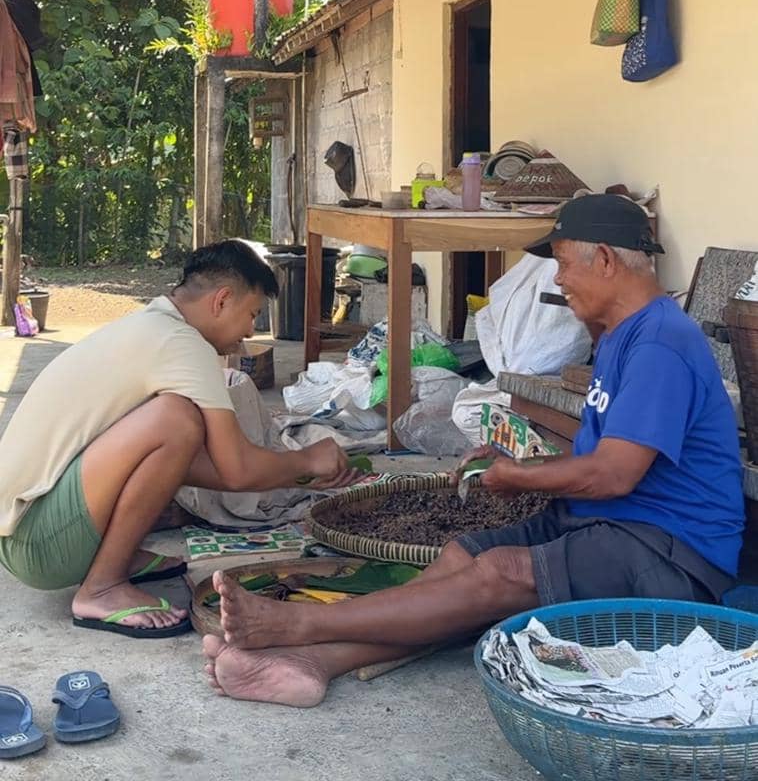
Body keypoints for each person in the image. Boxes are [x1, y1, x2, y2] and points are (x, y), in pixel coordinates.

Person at [201, 194, 745, 706]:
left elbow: (613, 475)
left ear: (604, 259)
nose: (558, 280)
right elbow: (600, 463)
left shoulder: (659, 343)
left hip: (672, 552)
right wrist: (513, 464)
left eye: (562, 264)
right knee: (462, 557)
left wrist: (514, 479)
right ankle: (311, 664)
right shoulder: (620, 334)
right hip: (609, 523)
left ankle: (296, 627)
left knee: (503, 572)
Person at [0, 240, 355, 638]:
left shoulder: (154, 326)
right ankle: (102, 587)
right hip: (39, 545)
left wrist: (297, 475)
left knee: (177, 429)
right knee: (177, 419)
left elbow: (190, 465)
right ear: (221, 301)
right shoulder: (181, 344)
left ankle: (116, 556)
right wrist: (307, 460)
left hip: (28, 535)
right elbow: (236, 469)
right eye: (251, 314)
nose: (249, 331)